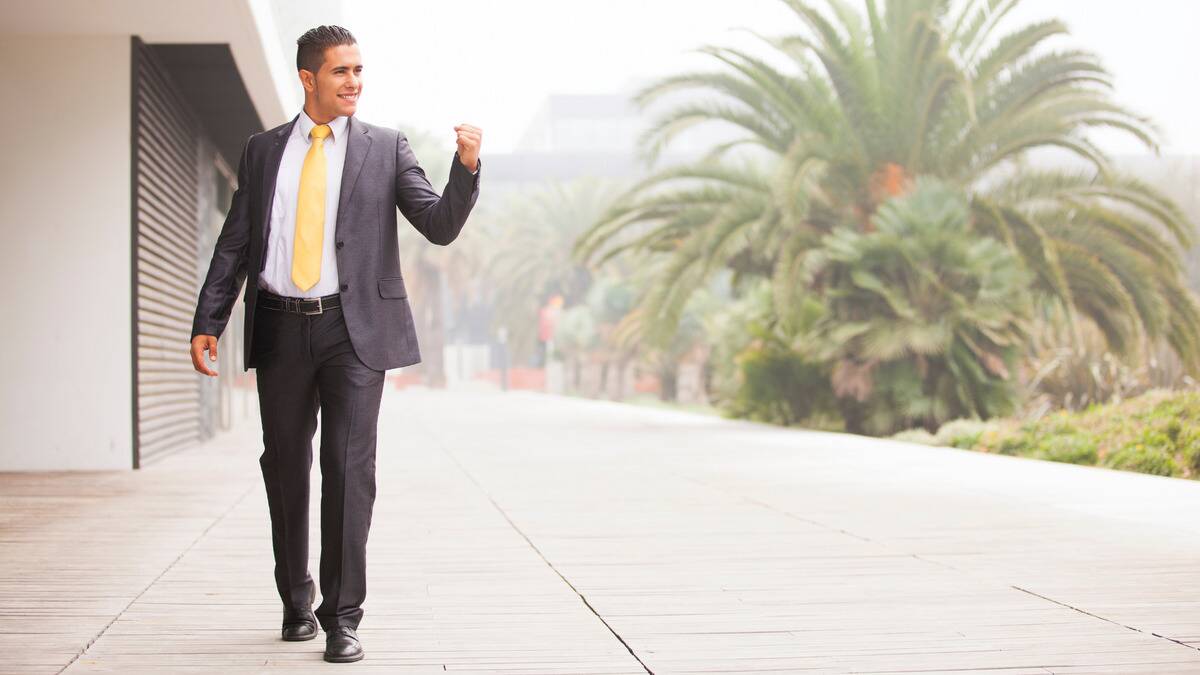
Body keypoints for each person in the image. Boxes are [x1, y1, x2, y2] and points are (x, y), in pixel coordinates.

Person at [188, 25, 481, 663]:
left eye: (359, 70)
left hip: (355, 333)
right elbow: (236, 241)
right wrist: (209, 318)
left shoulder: (385, 148)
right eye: (341, 71)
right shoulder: (263, 152)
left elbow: (437, 223)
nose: (354, 82)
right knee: (286, 467)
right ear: (308, 78)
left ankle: (343, 616)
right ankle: (296, 600)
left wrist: (466, 170)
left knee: (350, 473)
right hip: (280, 327)